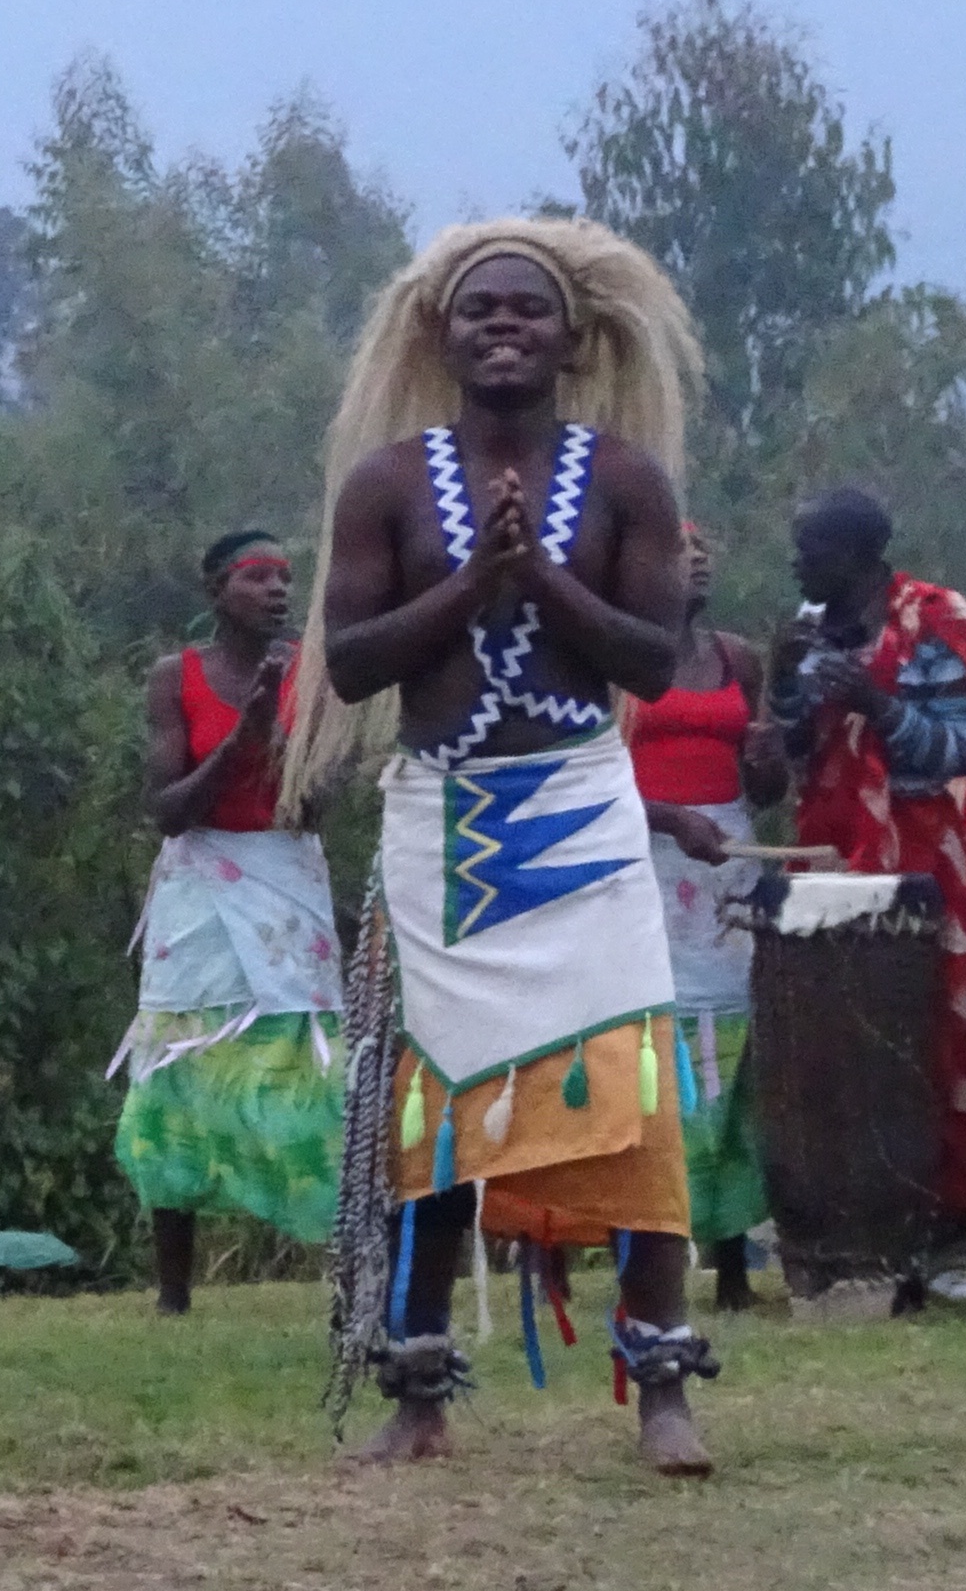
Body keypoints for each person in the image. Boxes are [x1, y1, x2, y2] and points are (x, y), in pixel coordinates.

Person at [291, 218, 718, 1476]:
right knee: (432, 1111)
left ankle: (661, 1391)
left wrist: (542, 585)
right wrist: (471, 589)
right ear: (443, 335)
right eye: (480, 310)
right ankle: (418, 1395)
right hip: (443, 816)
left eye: (528, 309)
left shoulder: (628, 481)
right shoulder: (385, 484)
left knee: (635, 1095)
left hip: (582, 807)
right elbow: (354, 658)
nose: (503, 326)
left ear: (573, 339)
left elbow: (652, 658)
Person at [771, 489, 966, 1292]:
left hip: (924, 854)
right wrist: (784, 678)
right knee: (839, 1041)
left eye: (810, 549)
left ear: (858, 557)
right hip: (832, 850)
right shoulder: (809, 626)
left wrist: (875, 703)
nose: (798, 564)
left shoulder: (933, 619)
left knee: (935, 1038)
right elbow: (794, 750)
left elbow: (963, 750)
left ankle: (943, 1240)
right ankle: (850, 1229)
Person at [111, 529, 345, 1311]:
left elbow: (317, 806)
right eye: (256, 577)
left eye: (285, 577)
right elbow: (169, 810)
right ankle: (173, 1290)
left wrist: (281, 738)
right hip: (200, 887)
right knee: (181, 1068)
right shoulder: (173, 679)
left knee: (306, 1072)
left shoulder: (310, 676)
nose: (278, 590)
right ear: (216, 592)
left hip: (287, 880)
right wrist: (239, 737)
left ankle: (341, 1264)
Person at [621, 518, 789, 1306]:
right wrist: (671, 818)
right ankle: (645, 1241)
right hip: (644, 857)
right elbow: (588, 776)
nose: (693, 562)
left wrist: (767, 769)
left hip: (728, 859)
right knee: (655, 1043)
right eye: (676, 550)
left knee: (735, 1045)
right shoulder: (615, 661)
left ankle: (730, 1258)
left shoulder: (739, 659)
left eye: (703, 552)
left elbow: (764, 789)